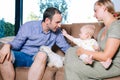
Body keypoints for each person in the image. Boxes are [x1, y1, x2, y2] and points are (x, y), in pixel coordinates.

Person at [0, 7, 70, 80]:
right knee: (4, 55)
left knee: (42, 54)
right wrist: (7, 45)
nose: (60, 25)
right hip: (22, 56)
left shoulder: (57, 32)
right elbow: (17, 44)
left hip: (39, 59)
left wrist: (80, 53)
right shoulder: (28, 26)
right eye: (57, 22)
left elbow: (66, 48)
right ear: (47, 20)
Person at [64, 0, 120, 80]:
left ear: (104, 8)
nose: (94, 15)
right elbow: (97, 50)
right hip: (102, 62)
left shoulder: (116, 26)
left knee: (72, 66)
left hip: (114, 65)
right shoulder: (102, 31)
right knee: (70, 51)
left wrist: (83, 51)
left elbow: (106, 57)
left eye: (95, 11)